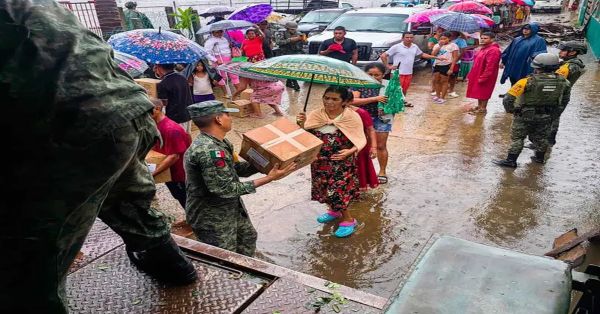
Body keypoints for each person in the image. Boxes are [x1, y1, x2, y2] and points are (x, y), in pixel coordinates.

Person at [1, 1, 197, 312]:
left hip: (63, 128)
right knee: (127, 198)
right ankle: (174, 268)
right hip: (128, 109)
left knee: (32, 253)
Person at [184, 101, 295, 256]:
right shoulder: (208, 151)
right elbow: (224, 189)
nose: (231, 118)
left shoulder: (221, 143)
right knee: (224, 257)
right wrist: (269, 178)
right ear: (218, 119)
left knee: (248, 238)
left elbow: (234, 170)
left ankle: (246, 273)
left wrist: (266, 162)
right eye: (227, 114)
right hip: (211, 216)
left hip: (231, 208)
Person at [296, 86, 367, 238]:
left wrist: (349, 151)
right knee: (323, 186)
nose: (329, 102)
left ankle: (349, 220)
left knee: (336, 191)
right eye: (326, 97)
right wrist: (301, 123)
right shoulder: (316, 114)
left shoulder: (351, 117)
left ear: (344, 102)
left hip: (342, 162)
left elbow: (360, 138)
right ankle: (334, 211)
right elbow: (306, 135)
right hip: (319, 160)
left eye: (335, 99)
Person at [493, 53, 571, 168]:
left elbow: (508, 99)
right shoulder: (564, 82)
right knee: (542, 137)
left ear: (538, 67)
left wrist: (512, 110)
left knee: (518, 138)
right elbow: (564, 101)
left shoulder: (526, 81)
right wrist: (555, 114)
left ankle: (511, 161)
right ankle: (539, 159)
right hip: (546, 115)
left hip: (524, 115)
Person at [350, 63, 392, 184]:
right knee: (361, 146)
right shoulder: (359, 84)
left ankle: (382, 171)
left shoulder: (389, 85)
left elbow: (399, 102)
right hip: (362, 118)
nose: (373, 77)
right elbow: (353, 101)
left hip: (383, 118)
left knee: (380, 146)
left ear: (383, 75)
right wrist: (375, 99)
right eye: (370, 74)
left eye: (377, 75)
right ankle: (362, 171)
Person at [149, 98, 192, 208]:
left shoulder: (171, 129)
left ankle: (194, 222)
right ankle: (190, 219)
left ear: (157, 109)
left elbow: (174, 156)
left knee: (185, 197)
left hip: (179, 173)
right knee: (178, 195)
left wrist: (153, 174)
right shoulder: (156, 125)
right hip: (168, 171)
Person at [380, 32, 438, 107]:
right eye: (407, 37)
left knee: (404, 89)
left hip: (409, 72)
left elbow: (422, 54)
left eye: (411, 37)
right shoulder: (397, 47)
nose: (409, 39)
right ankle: (391, 103)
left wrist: (436, 57)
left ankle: (402, 101)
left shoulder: (414, 46)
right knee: (395, 88)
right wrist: (388, 66)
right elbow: (383, 55)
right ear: (402, 38)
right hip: (397, 72)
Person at [548, 41, 587, 145]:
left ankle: (547, 143)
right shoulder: (575, 63)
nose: (560, 52)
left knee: (551, 118)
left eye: (563, 50)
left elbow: (554, 81)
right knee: (554, 117)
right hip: (563, 93)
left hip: (558, 95)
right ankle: (549, 142)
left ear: (572, 52)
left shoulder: (569, 66)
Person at [466, 32, 502, 114]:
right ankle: (479, 106)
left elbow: (490, 66)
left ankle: (483, 109)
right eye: (481, 38)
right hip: (478, 73)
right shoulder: (483, 48)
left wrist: (484, 77)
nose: (482, 40)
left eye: (485, 38)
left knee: (484, 92)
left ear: (492, 39)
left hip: (487, 75)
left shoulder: (494, 50)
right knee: (479, 91)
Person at [155, 63, 193, 133]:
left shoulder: (163, 83)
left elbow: (163, 104)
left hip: (174, 120)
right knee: (187, 138)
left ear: (159, 68)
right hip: (187, 115)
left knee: (178, 141)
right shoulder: (182, 78)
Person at [350, 104, 379, 191]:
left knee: (361, 167)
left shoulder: (361, 113)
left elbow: (370, 130)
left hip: (359, 143)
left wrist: (373, 147)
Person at [204, 30, 241, 96]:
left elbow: (227, 49)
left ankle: (239, 92)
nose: (219, 33)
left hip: (229, 58)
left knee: (234, 75)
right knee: (222, 77)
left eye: (221, 31)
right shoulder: (210, 41)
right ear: (213, 32)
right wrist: (215, 60)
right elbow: (206, 53)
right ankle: (226, 93)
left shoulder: (224, 39)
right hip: (219, 59)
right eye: (217, 32)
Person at [276, 21, 305, 91]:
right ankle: (295, 84)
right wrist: (290, 40)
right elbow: (278, 42)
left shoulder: (298, 33)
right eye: (291, 29)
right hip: (285, 53)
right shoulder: (282, 33)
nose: (293, 31)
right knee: (290, 69)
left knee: (293, 69)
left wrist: (303, 39)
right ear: (287, 28)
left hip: (296, 53)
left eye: (294, 29)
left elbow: (305, 42)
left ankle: (289, 82)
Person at [431, 32, 459, 104]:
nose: (443, 40)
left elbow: (455, 57)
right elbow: (433, 54)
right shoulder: (437, 45)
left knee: (444, 81)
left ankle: (442, 97)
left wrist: (451, 68)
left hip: (447, 65)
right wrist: (439, 46)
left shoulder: (453, 46)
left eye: (445, 39)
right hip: (437, 64)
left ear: (449, 38)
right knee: (437, 80)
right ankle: (437, 95)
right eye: (441, 39)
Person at [447, 31, 468, 99]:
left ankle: (451, 90)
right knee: (444, 75)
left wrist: (455, 60)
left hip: (455, 61)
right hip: (445, 61)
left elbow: (463, 51)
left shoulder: (461, 41)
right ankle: (445, 88)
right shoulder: (447, 39)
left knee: (453, 76)